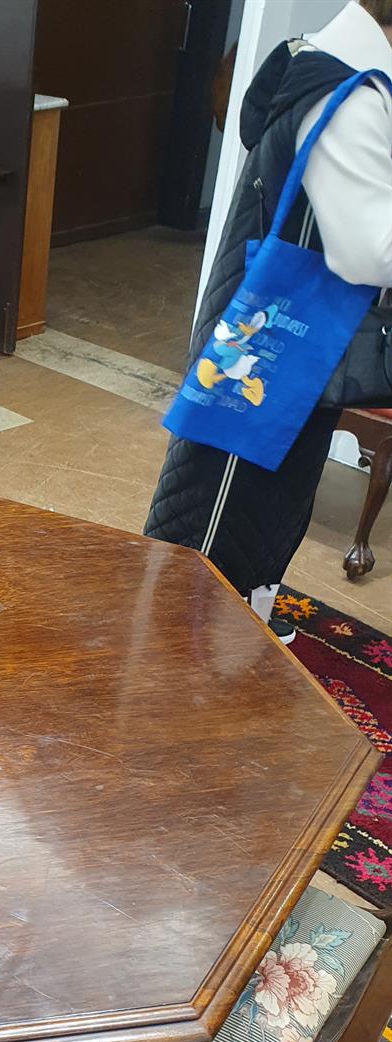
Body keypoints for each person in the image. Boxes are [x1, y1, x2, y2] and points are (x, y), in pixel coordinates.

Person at [144, 0, 392, 641]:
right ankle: (175, 691)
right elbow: (369, 250)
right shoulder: (351, 94)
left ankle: (219, 671)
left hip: (283, 350)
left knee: (253, 525)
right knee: (210, 545)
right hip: (272, 358)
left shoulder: (326, 64)